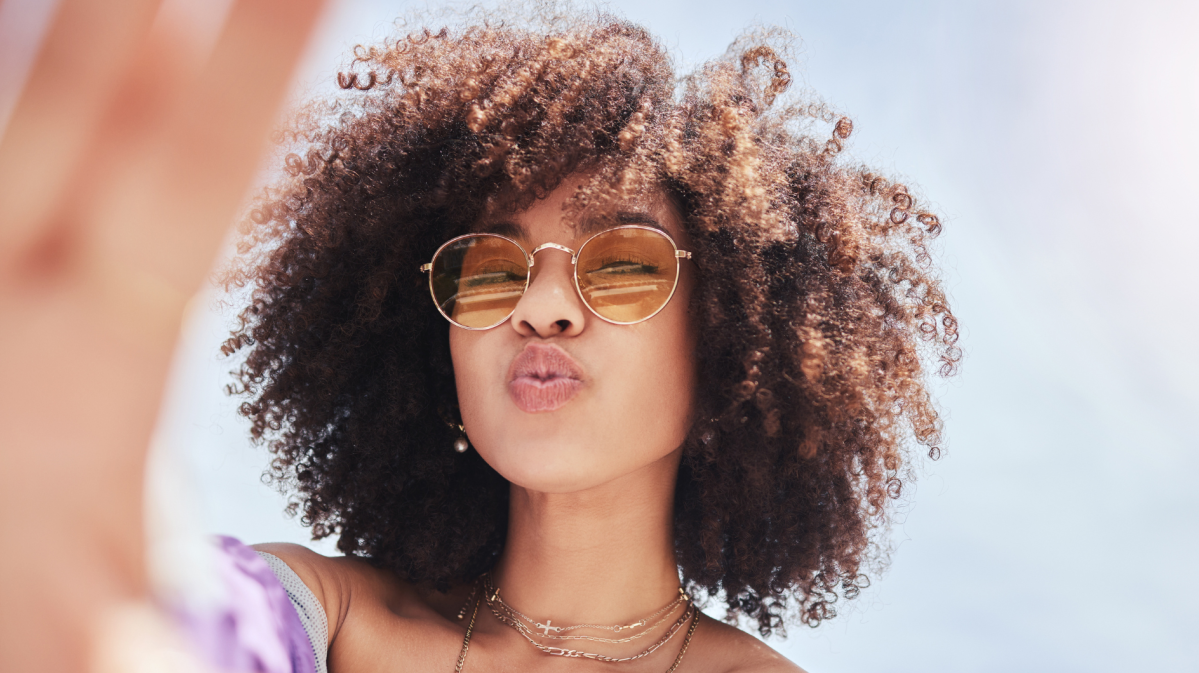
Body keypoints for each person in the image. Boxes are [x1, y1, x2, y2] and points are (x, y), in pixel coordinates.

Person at [0, 3, 958, 672]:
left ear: (734, 348)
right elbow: (163, 634)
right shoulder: (323, 625)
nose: (538, 308)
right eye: (489, 270)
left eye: (623, 263)